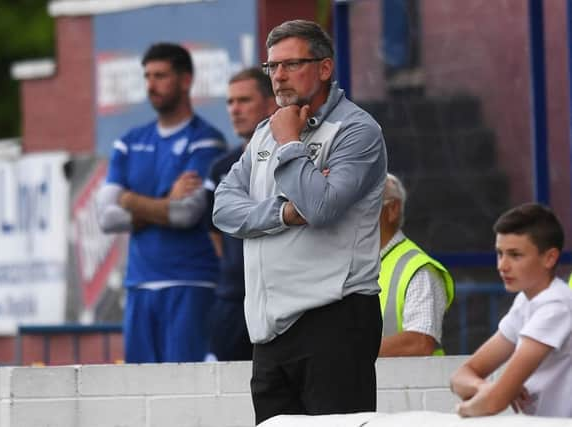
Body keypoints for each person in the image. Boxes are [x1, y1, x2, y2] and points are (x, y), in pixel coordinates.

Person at [213, 20, 387, 424]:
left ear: (325, 68)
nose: (278, 76)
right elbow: (223, 207)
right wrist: (284, 213)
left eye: (291, 64)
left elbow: (322, 207)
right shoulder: (265, 131)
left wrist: (291, 144)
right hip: (269, 330)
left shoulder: (357, 130)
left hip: (334, 319)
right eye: (271, 67)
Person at [96, 43, 226, 363]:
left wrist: (128, 199)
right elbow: (105, 218)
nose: (151, 85)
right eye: (147, 76)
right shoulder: (129, 141)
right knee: (141, 391)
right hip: (140, 284)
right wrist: (162, 204)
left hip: (190, 281)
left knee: (185, 389)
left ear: (185, 80)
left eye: (160, 76)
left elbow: (185, 214)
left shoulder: (206, 139)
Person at [450, 203, 572, 418]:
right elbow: (461, 376)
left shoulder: (556, 306)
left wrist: (463, 410)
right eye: (500, 254)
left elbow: (494, 403)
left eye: (515, 255)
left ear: (550, 258)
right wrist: (485, 388)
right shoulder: (526, 301)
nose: (502, 266)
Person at [203, 68, 277, 361]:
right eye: (230, 102)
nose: (235, 110)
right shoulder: (220, 167)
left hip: (279, 296)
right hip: (232, 299)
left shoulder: (290, 157)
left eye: (244, 100)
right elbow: (215, 231)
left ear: (271, 104)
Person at [378, 173, 454, 356]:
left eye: (363, 204)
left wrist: (348, 355)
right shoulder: (348, 265)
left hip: (406, 384)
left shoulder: (418, 270)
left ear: (393, 209)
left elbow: (420, 342)